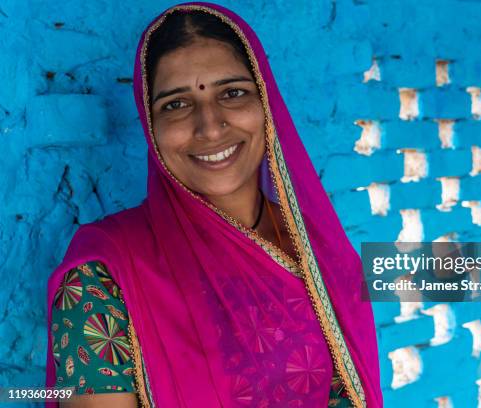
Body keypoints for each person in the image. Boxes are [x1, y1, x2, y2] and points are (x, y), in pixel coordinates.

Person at [45, 3, 383, 407]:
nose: (210, 126)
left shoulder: (314, 246)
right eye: (176, 104)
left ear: (266, 105)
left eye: (233, 93)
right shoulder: (103, 276)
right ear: (151, 127)